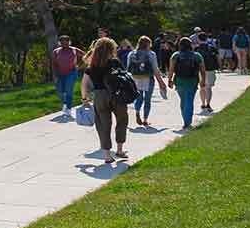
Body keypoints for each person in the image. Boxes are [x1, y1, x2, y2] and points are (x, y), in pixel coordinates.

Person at [79, 37, 130, 165]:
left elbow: (84, 84)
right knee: (122, 120)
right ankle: (119, 150)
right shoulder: (115, 62)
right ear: (111, 49)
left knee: (103, 125)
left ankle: (107, 155)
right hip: (116, 95)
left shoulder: (92, 65)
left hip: (100, 96)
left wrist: (85, 98)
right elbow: (123, 77)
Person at [126, 34, 168, 128]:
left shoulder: (131, 53)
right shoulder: (151, 54)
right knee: (147, 99)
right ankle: (145, 120)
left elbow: (128, 68)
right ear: (148, 44)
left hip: (136, 78)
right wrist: (161, 82)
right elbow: (155, 69)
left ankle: (137, 112)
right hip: (148, 78)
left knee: (138, 97)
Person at [169, 37, 205, 131]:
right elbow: (202, 70)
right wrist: (203, 81)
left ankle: (185, 120)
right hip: (192, 81)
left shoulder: (176, 55)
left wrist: (170, 80)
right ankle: (187, 122)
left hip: (179, 81)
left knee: (183, 100)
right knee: (189, 100)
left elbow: (171, 69)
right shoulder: (197, 55)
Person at [50, 36, 82, 116]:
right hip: (60, 73)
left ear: (69, 42)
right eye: (62, 42)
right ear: (59, 43)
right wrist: (54, 75)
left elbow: (85, 56)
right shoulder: (56, 51)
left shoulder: (74, 50)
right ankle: (65, 103)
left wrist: (80, 66)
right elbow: (53, 64)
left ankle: (68, 108)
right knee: (60, 91)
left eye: (66, 41)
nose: (64, 43)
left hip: (71, 73)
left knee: (68, 90)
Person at [196, 33, 222, 112]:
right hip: (210, 69)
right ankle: (208, 104)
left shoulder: (196, 49)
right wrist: (219, 66)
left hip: (199, 70)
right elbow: (218, 58)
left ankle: (203, 104)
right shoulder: (212, 48)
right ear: (206, 38)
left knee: (202, 87)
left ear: (198, 39)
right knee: (208, 87)